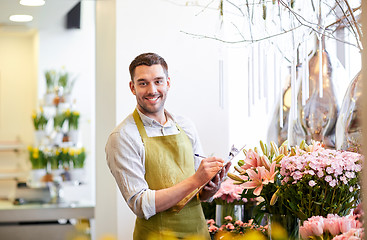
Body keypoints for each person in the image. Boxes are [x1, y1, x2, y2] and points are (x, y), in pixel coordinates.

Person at [105, 52, 230, 240]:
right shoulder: (123, 137)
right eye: (143, 83)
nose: (152, 90)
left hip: (198, 234)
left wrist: (210, 186)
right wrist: (196, 180)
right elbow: (140, 204)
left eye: (158, 81)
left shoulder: (186, 126)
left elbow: (200, 193)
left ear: (168, 83)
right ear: (132, 87)